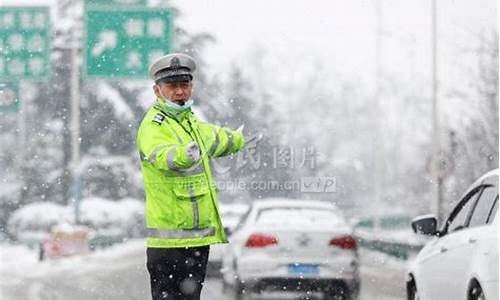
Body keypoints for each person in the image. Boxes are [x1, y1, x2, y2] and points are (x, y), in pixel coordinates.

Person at [137, 52, 246, 300]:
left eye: (184, 85)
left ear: (191, 87)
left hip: (195, 243)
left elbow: (215, 138)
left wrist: (237, 139)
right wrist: (184, 154)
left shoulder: (190, 122)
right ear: (157, 91)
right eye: (171, 86)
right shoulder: (155, 125)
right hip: (167, 246)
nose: (179, 92)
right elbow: (162, 156)